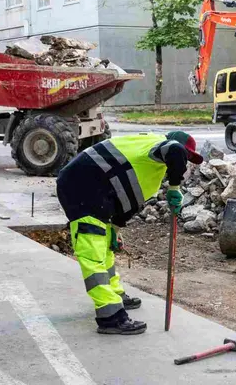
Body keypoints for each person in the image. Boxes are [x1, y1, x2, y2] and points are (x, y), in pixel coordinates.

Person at [56, 131, 204, 335]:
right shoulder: (159, 145)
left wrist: (115, 231)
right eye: (187, 158)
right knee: (92, 251)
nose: (185, 162)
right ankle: (110, 317)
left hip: (99, 190)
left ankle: (115, 294)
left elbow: (130, 203)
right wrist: (175, 187)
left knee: (106, 244)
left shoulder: (148, 165)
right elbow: (175, 150)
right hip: (81, 186)